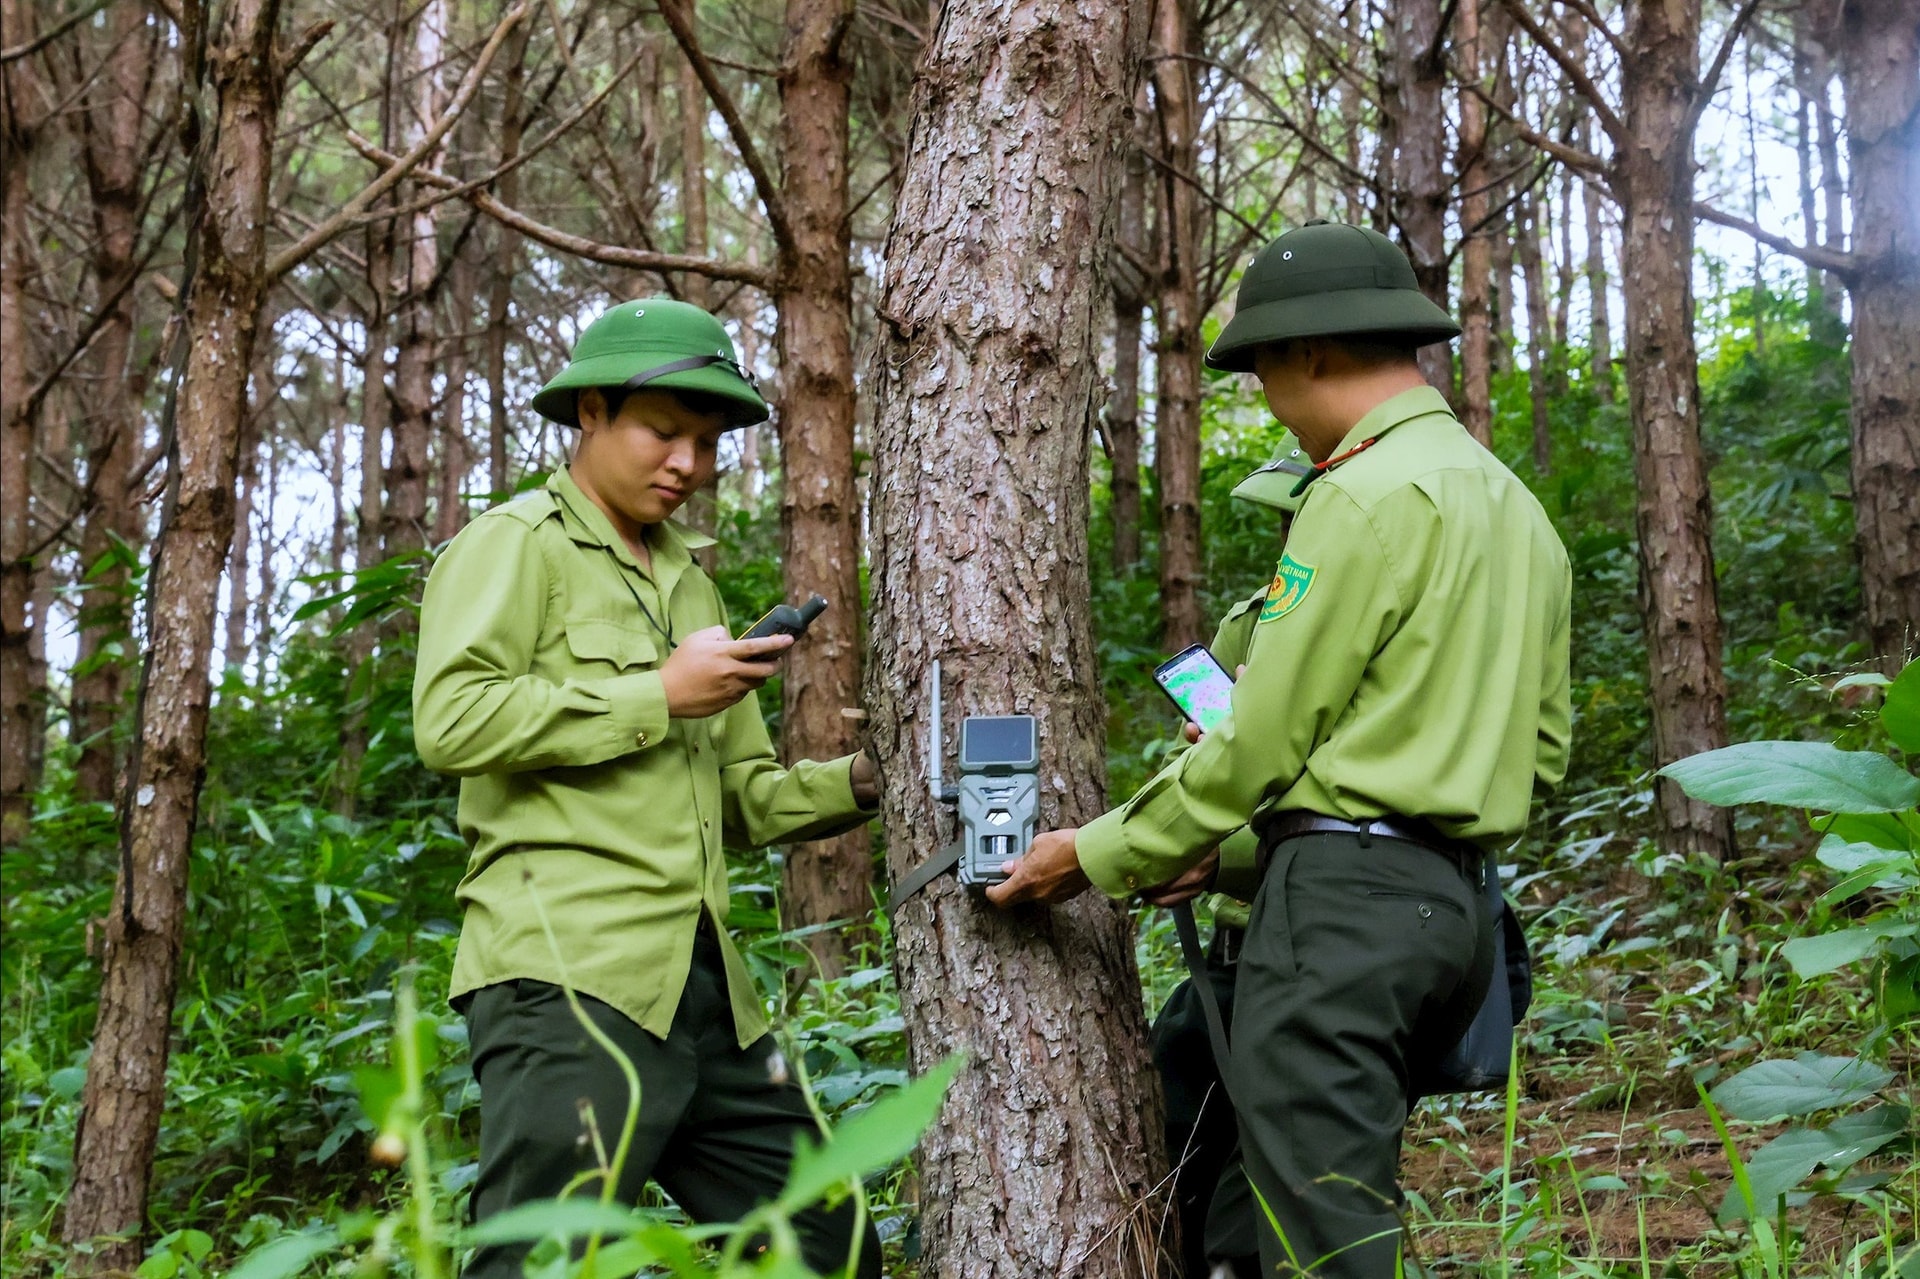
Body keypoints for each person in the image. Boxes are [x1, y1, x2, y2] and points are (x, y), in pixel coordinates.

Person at [989, 221, 1573, 1278]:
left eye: (1263, 374)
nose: (1271, 402)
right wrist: (1254, 851)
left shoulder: (1358, 497)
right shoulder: (1521, 513)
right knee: (1257, 1214)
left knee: (1323, 1241)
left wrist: (1100, 850)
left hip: (1336, 923)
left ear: (1309, 353)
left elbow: (1255, 739)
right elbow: (1534, 758)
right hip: (1456, 918)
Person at [413, 298, 883, 1279]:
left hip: (708, 993)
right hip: (566, 978)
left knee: (832, 1251)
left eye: (706, 443)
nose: (687, 464)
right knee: (544, 1263)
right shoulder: (514, 544)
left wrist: (867, 781)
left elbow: (746, 799)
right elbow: (450, 721)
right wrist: (657, 693)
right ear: (589, 412)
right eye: (663, 431)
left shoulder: (694, 589)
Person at [1148, 433, 1311, 1279]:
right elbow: (1206, 772)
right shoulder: (1256, 619)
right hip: (1237, 939)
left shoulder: (1382, 615)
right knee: (1176, 1089)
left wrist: (1227, 857)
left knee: (1270, 1167)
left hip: (1322, 929)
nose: (1294, 541)